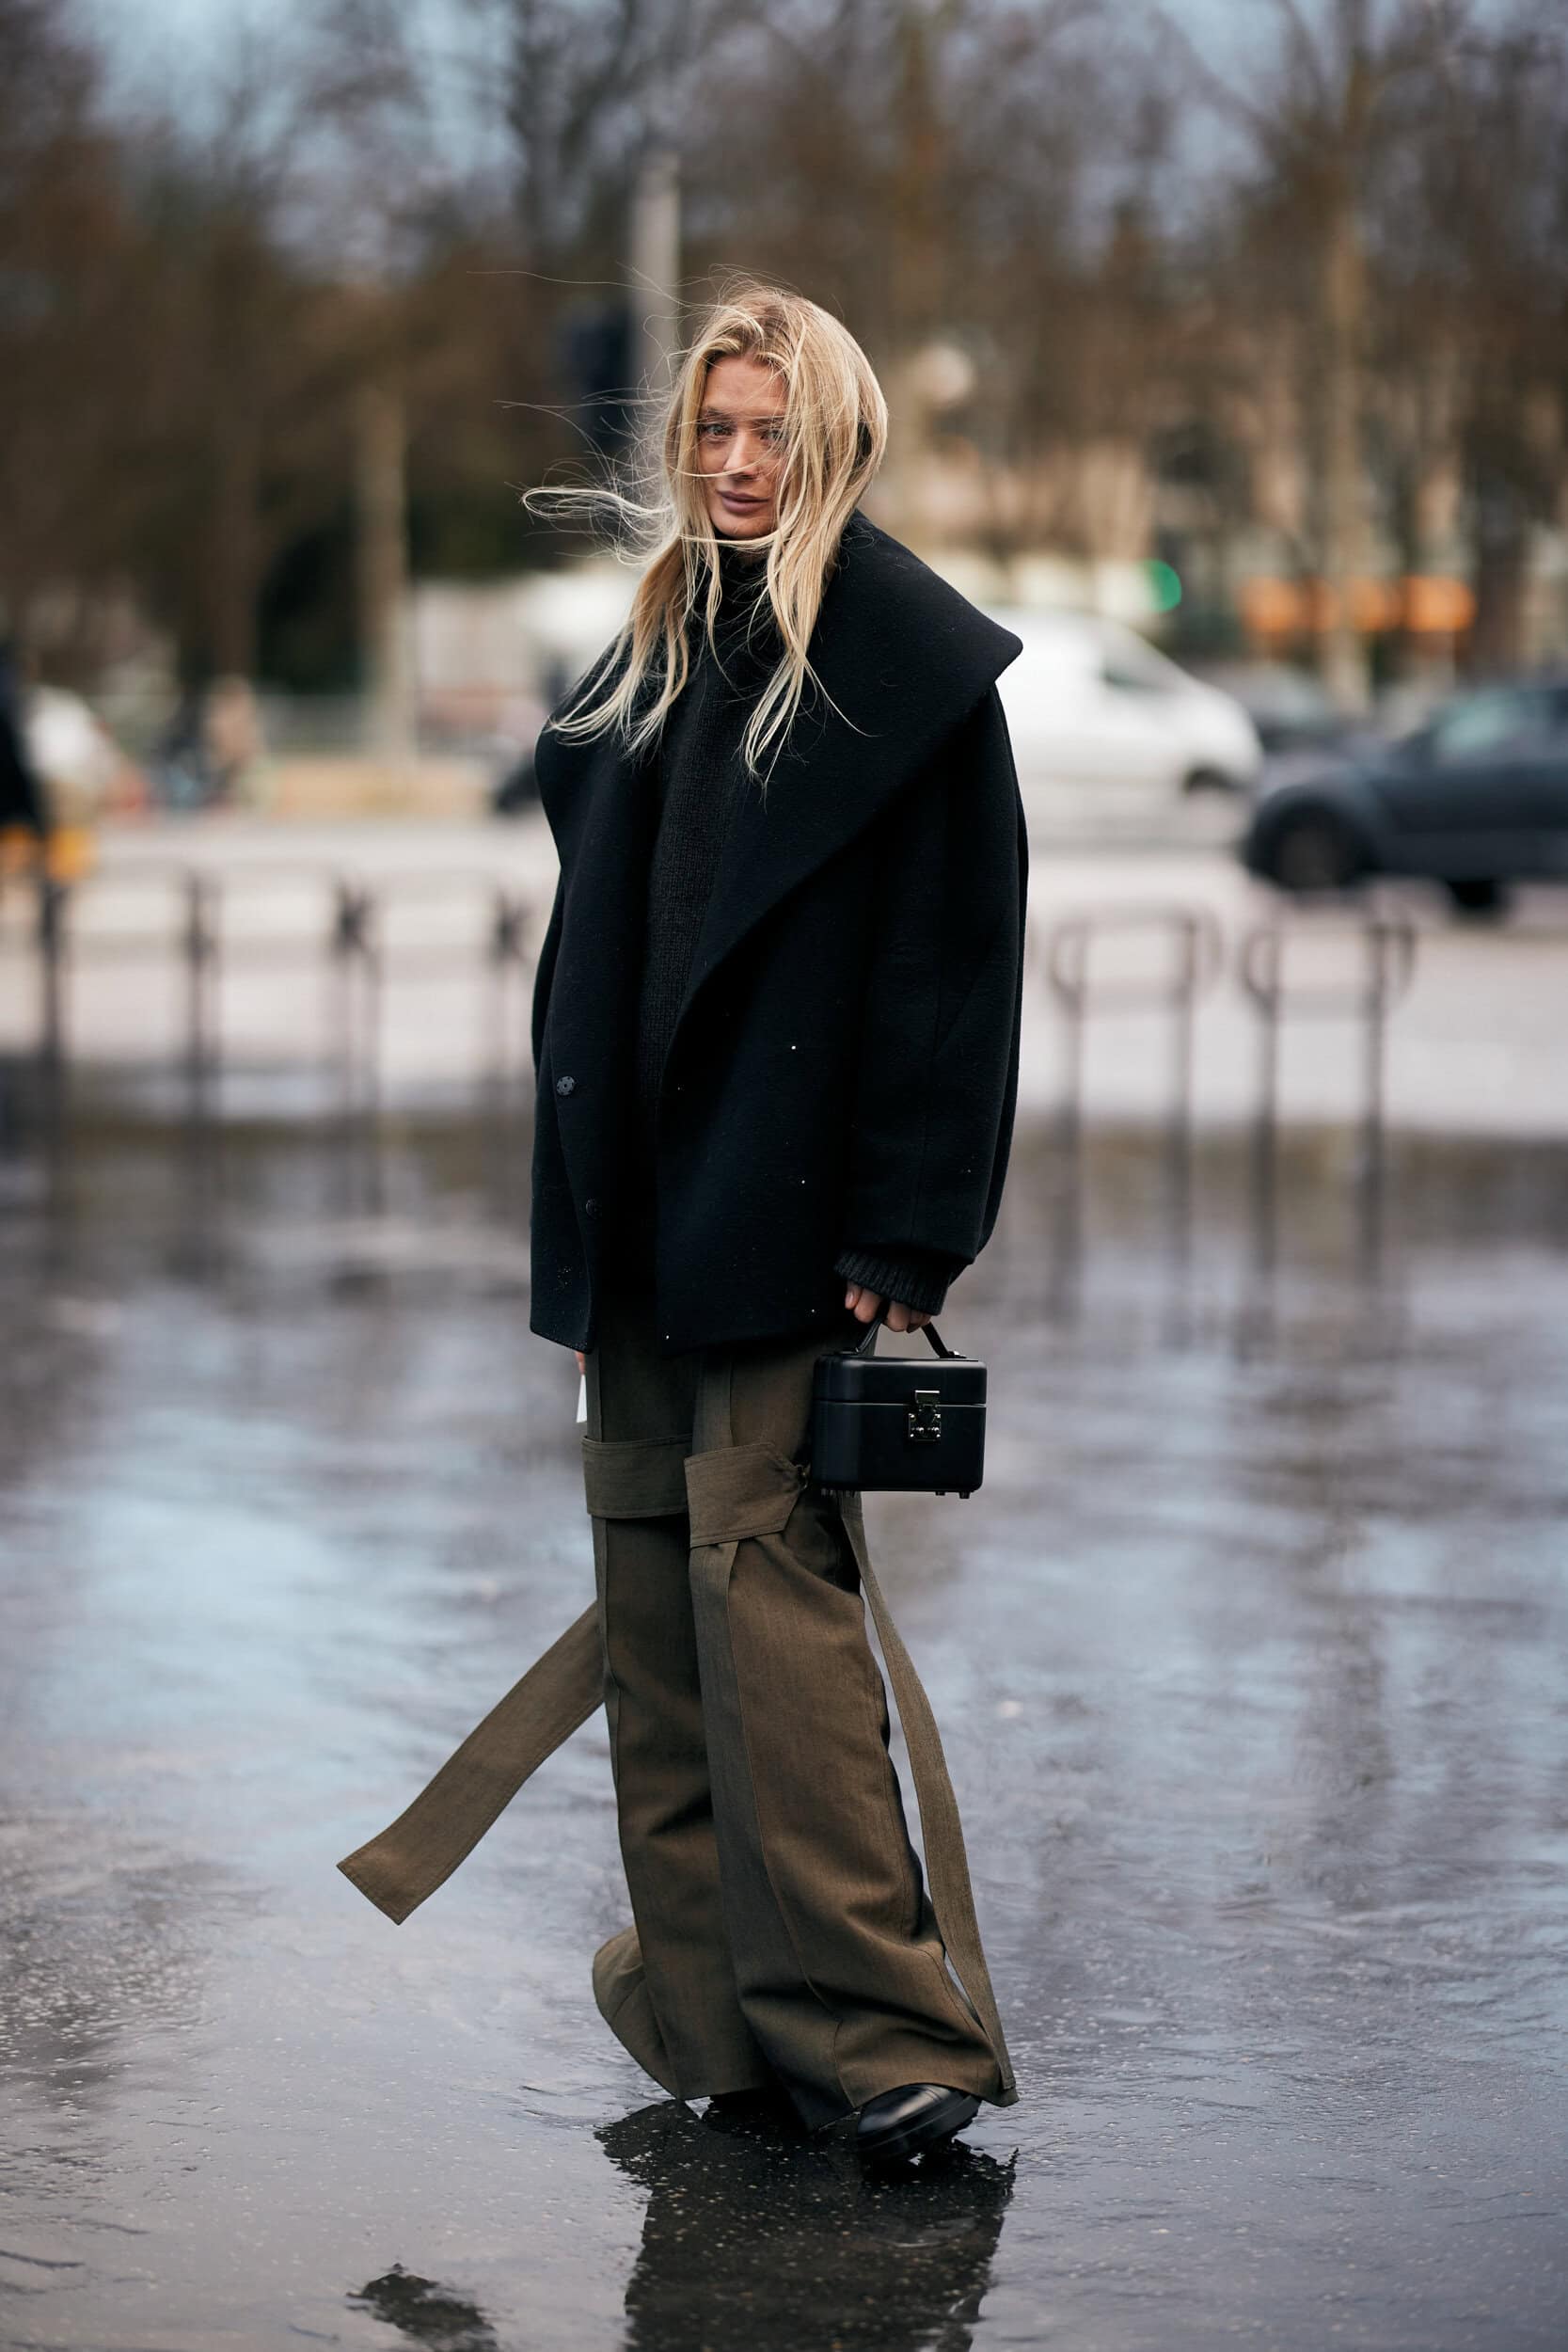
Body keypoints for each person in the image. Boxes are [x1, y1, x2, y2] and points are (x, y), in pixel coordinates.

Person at [339, 284, 1028, 2168]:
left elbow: (957, 982)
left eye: (768, 435)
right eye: (712, 432)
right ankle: (718, 2018)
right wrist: (572, 1235)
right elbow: (600, 961)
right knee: (656, 1614)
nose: (735, 466)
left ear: (832, 445)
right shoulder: (648, 644)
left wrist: (910, 1222)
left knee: (775, 1614)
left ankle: (889, 2037)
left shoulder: (908, 666)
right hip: (639, 1217)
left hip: (799, 1225)